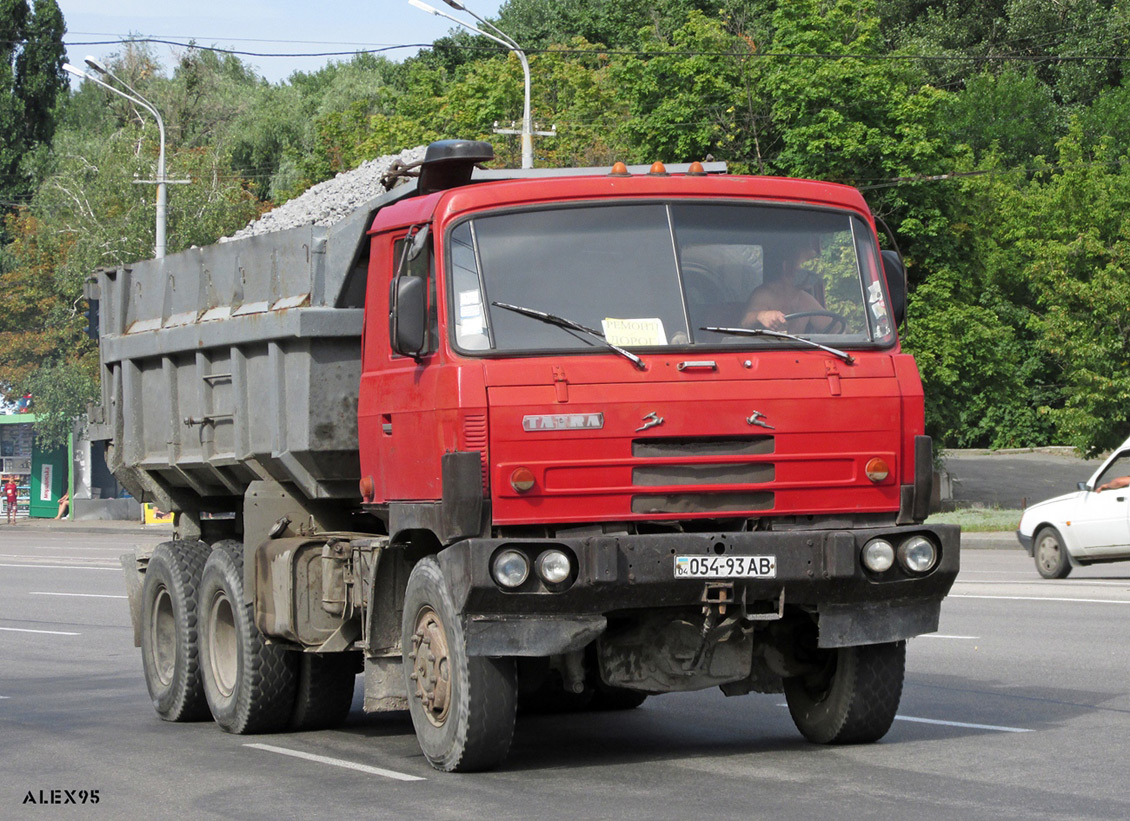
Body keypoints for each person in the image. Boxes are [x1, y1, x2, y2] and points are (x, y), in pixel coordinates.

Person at [741, 237, 836, 334]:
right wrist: (762, 315)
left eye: (814, 267)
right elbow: (745, 322)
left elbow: (834, 327)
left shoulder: (806, 300)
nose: (811, 272)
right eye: (806, 265)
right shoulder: (765, 294)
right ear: (786, 267)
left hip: (797, 349)